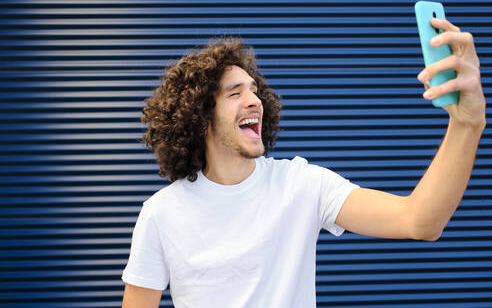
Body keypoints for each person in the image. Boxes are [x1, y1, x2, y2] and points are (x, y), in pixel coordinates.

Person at [121, 18, 485, 308]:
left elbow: (420, 221)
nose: (255, 100)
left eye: (254, 90)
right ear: (200, 119)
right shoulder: (161, 213)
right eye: (235, 93)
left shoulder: (301, 184)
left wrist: (467, 124)